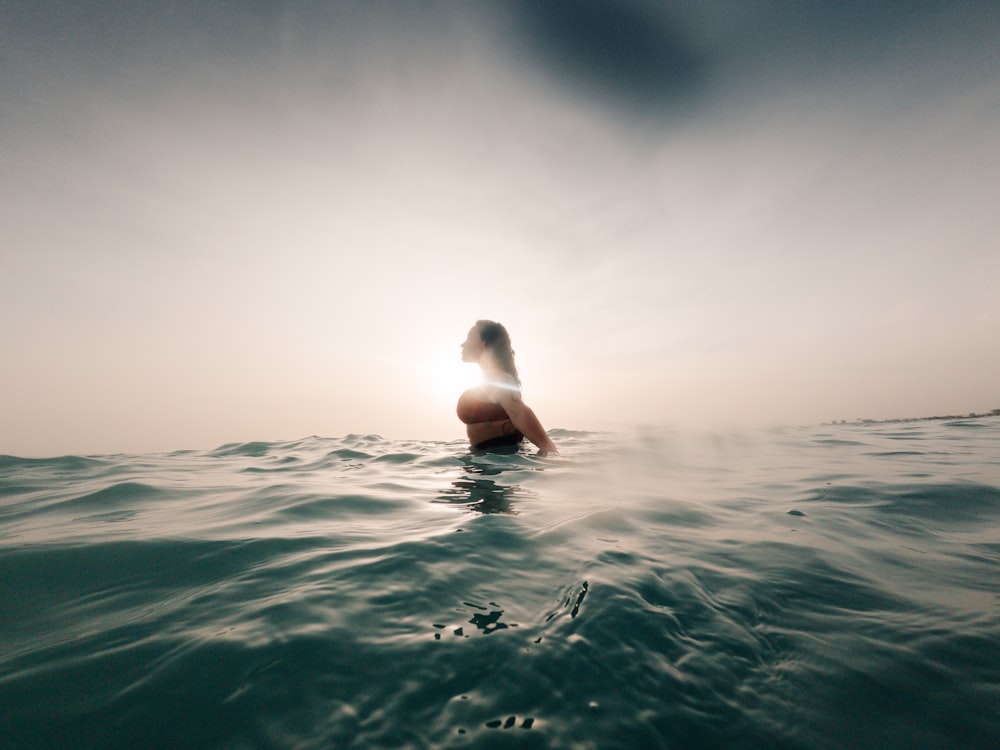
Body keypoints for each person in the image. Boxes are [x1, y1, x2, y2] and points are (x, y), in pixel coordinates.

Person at [457, 320, 558, 456]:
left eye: (469, 338)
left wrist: (546, 445)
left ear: (485, 341)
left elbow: (519, 412)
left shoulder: (498, 379)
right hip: (489, 460)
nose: (463, 344)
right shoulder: (490, 381)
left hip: (500, 462)